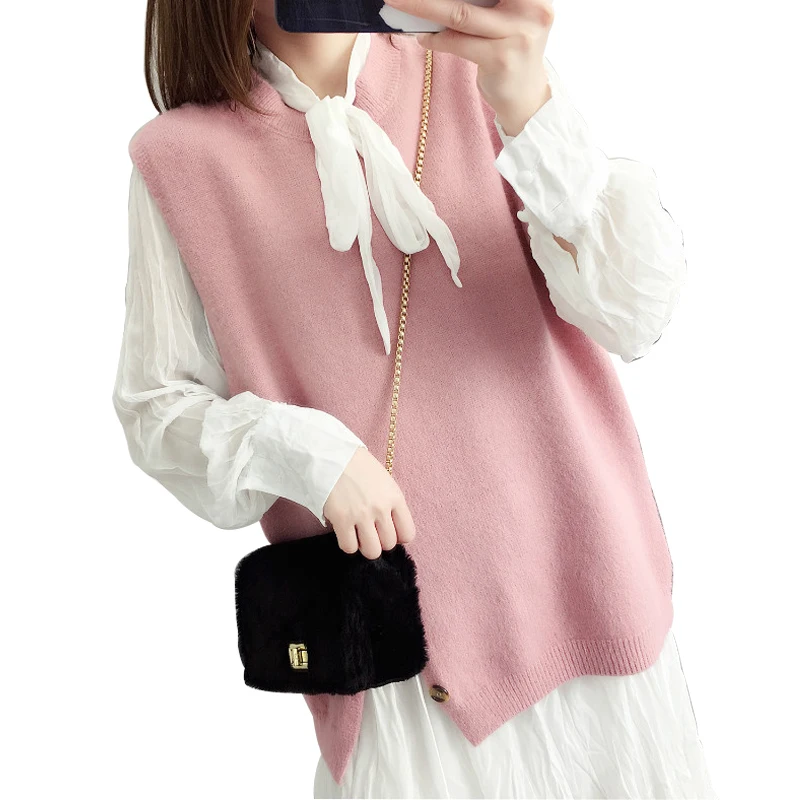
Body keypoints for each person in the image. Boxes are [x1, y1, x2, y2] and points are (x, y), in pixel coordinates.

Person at [113, 1, 718, 797]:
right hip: (401, 673)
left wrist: (531, 105)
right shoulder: (181, 161)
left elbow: (634, 315)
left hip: (591, 607)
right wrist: (307, 455)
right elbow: (155, 406)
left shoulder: (474, 68)